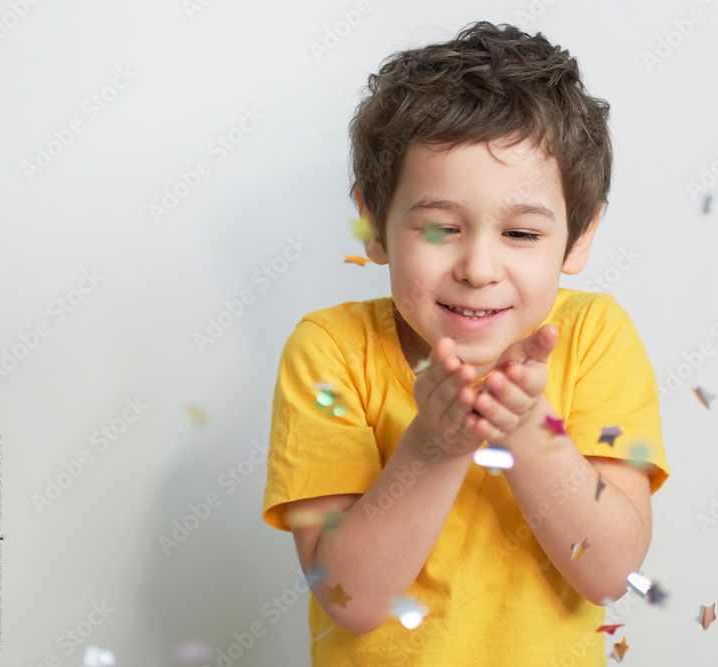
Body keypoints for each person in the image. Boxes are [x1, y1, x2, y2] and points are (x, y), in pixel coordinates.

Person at [262, 20, 670, 665]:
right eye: (441, 228)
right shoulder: (330, 350)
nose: (479, 268)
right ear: (372, 222)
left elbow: (612, 572)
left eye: (523, 235)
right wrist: (435, 445)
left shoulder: (594, 335)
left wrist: (529, 428)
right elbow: (349, 597)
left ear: (580, 237)